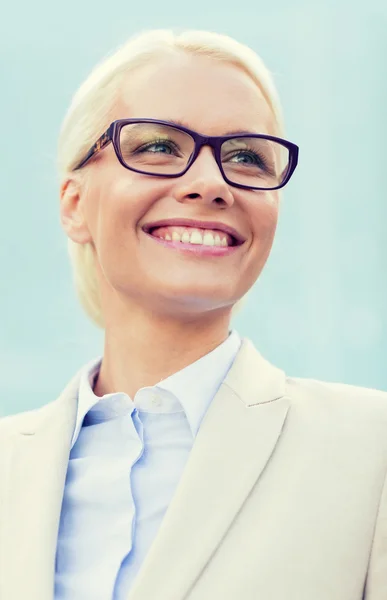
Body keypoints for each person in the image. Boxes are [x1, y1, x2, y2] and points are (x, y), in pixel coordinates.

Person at [0, 28, 386, 600]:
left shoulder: (371, 450)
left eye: (247, 157)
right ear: (75, 205)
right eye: (158, 147)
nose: (210, 183)